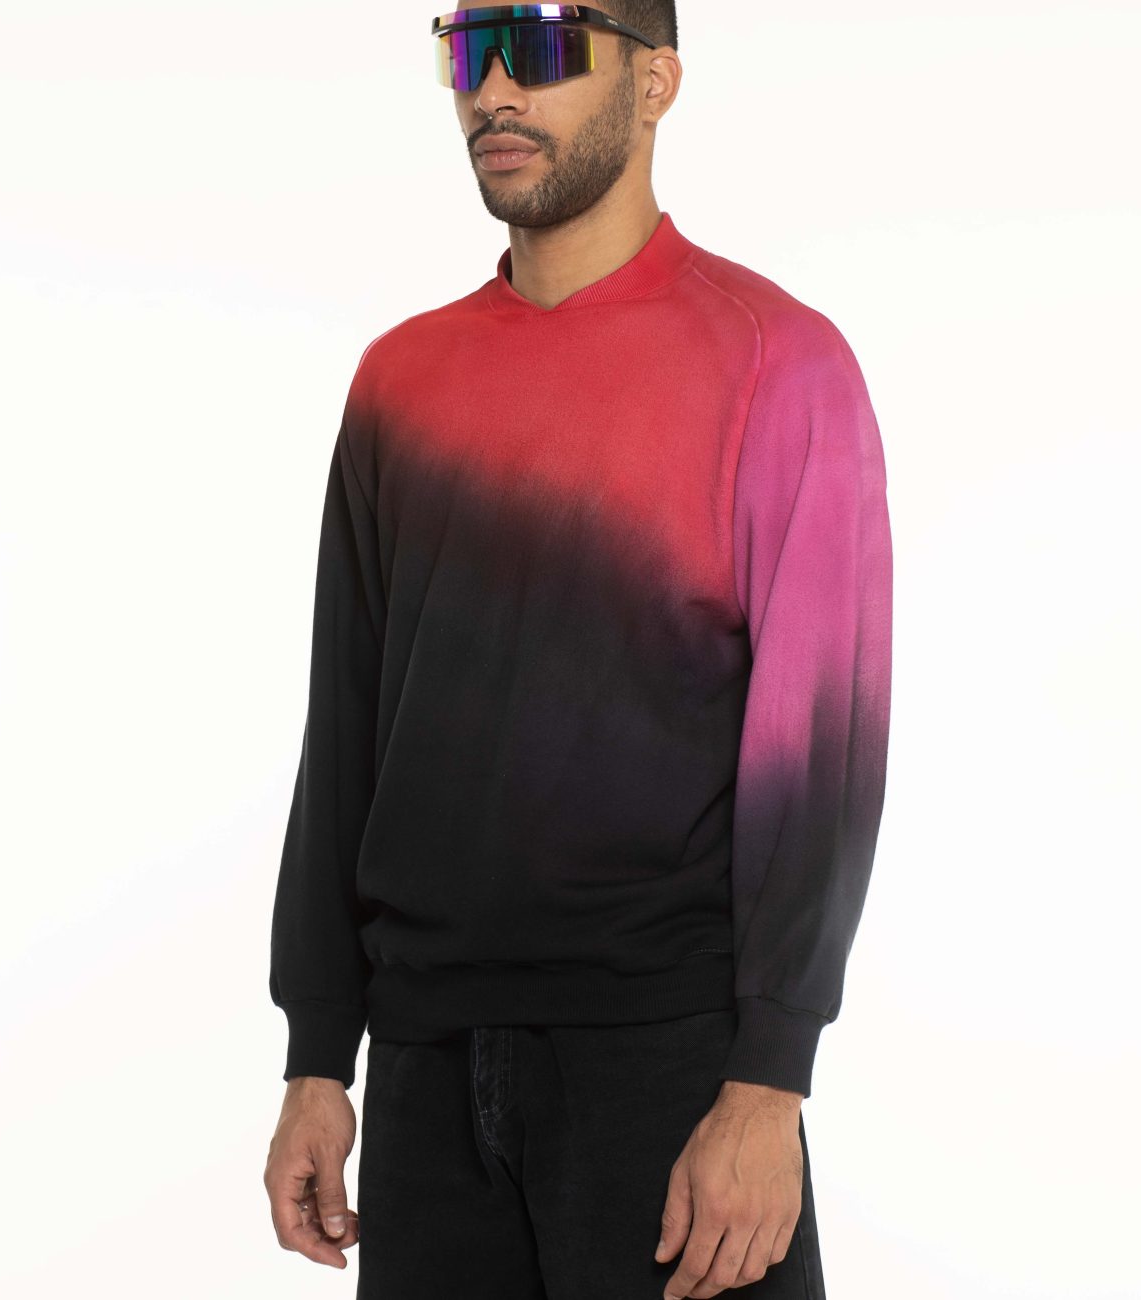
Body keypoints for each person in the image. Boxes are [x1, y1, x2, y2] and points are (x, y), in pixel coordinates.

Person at [261, 4, 893, 1298]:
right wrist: (318, 1054)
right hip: (427, 1081)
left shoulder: (778, 365)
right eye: (469, 46)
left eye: (542, 44)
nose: (494, 89)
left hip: (672, 1077)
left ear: (656, 81)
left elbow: (820, 754)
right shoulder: (399, 383)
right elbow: (347, 728)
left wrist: (769, 1082)